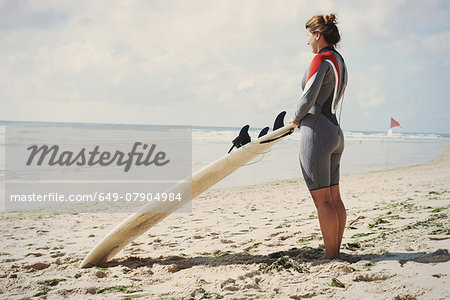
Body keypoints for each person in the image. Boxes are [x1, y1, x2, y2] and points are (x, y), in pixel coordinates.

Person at [289, 13, 348, 259]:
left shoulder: (321, 58)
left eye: (308, 36)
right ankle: (335, 250)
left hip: (318, 133)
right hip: (335, 130)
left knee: (322, 200)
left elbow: (308, 97)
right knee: (334, 197)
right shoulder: (340, 60)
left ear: (317, 35)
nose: (307, 42)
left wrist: (296, 118)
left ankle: (331, 255)